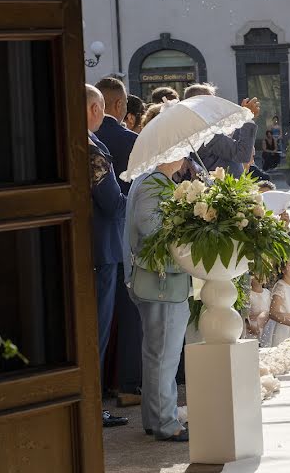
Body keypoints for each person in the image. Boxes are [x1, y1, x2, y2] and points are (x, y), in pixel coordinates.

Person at [123, 155, 190, 441]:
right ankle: (165, 422)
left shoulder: (151, 180)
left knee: (156, 353)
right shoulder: (153, 183)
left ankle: (155, 419)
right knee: (164, 354)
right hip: (161, 282)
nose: (185, 156)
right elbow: (153, 230)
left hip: (158, 282)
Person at [93, 77, 142, 408]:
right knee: (113, 320)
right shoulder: (106, 144)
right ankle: (122, 386)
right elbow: (112, 201)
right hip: (113, 242)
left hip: (91, 242)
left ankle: (100, 393)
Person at [86, 85, 129, 427]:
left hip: (90, 248)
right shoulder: (91, 146)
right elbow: (112, 201)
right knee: (96, 331)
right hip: (102, 248)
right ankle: (93, 405)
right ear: (95, 110)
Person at [183, 83, 260, 178]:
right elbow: (242, 155)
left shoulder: (201, 127)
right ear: (199, 104)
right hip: (221, 188)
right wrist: (248, 119)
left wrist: (244, 119)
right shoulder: (203, 132)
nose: (216, 105)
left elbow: (233, 147)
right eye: (212, 101)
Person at [247, 276, 271, 345]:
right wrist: (251, 327)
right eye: (256, 276)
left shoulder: (267, 292)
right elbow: (244, 315)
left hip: (267, 327)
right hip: (253, 329)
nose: (260, 277)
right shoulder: (249, 294)